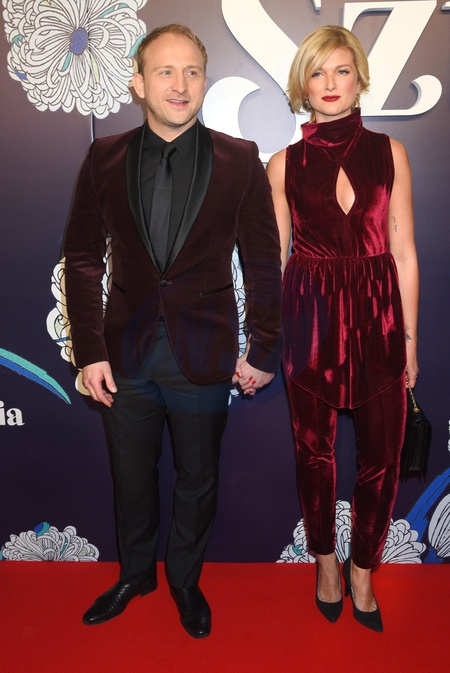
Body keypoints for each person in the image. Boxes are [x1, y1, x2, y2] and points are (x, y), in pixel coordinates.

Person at [64, 23, 283, 638]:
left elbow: (263, 260)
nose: (180, 84)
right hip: (124, 354)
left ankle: (185, 579)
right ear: (139, 83)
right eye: (165, 71)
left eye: (192, 71)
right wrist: (89, 351)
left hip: (204, 350)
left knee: (198, 478)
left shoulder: (240, 159)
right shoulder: (103, 157)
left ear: (204, 80)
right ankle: (136, 574)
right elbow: (82, 258)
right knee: (131, 478)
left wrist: (263, 346)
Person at [267, 25, 418, 632]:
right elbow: (275, 261)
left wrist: (410, 341)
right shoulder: (283, 164)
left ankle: (363, 569)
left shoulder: (390, 152)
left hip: (381, 319)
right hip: (311, 321)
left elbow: (403, 251)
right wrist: (269, 339)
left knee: (383, 456)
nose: (330, 84)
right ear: (303, 84)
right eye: (317, 72)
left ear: (359, 78)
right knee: (314, 453)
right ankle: (325, 563)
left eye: (341, 70)